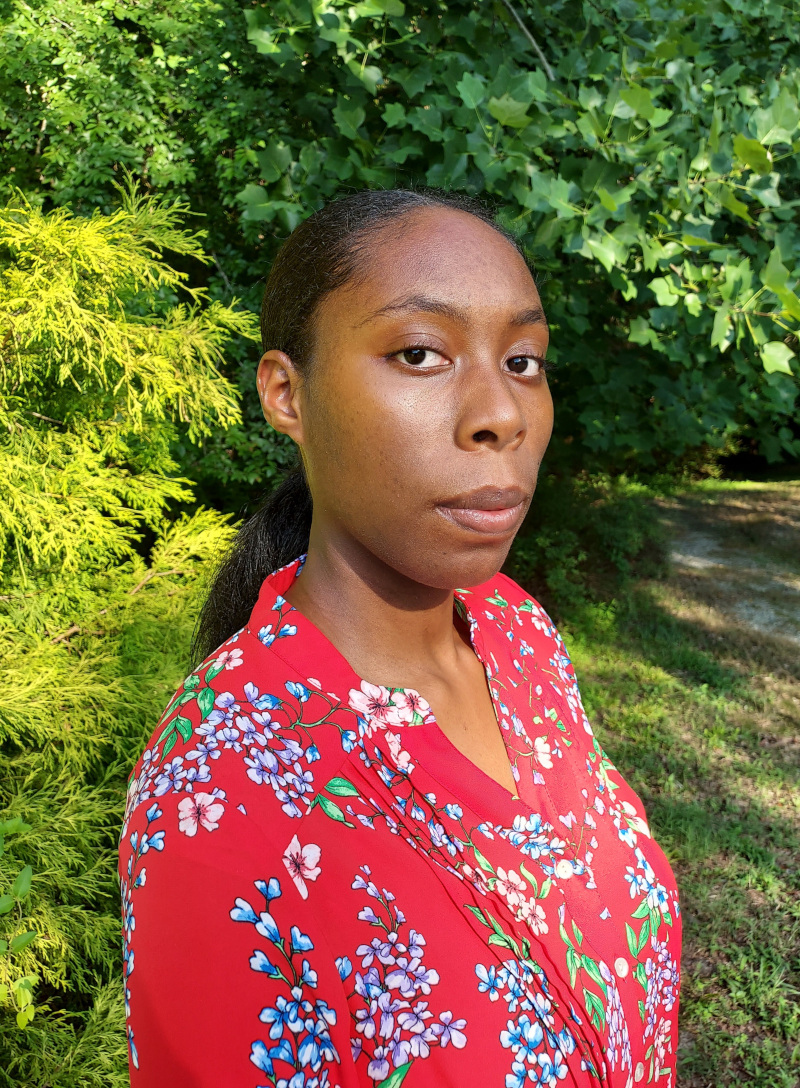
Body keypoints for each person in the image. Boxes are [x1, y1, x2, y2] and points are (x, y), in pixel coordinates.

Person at [119, 189, 681, 1088]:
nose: (500, 412)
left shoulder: (514, 630)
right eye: (420, 353)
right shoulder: (223, 790)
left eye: (525, 360)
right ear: (285, 393)